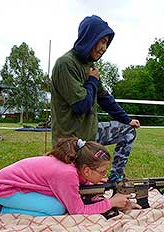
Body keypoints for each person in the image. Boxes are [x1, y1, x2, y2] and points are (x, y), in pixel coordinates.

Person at [51, 15, 140, 183]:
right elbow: (80, 106)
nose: (104, 48)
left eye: (107, 43)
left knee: (128, 131)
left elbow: (105, 98)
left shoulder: (89, 66)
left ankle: (115, 180)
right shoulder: (66, 64)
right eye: (102, 41)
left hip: (90, 135)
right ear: (90, 38)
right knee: (78, 185)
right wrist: (92, 80)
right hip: (71, 141)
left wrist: (127, 120)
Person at [0, 137, 140, 216]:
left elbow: (80, 188)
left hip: (12, 185)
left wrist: (111, 199)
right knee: (57, 208)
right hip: (3, 189)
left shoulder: (75, 166)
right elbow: (77, 210)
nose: (104, 176)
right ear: (87, 170)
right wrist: (111, 203)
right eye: (102, 172)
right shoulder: (67, 174)